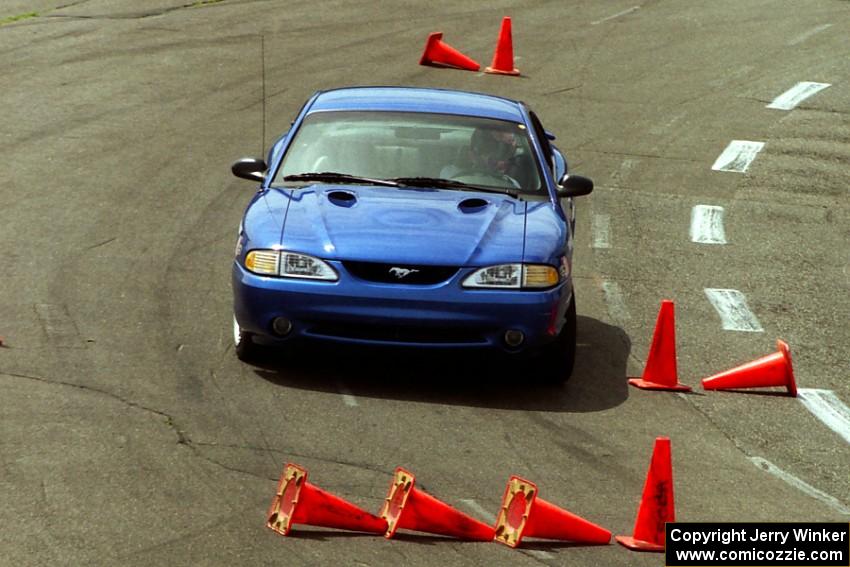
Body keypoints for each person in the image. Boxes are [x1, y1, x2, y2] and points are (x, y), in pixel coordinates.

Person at [442, 127, 522, 188]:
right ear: (472, 155)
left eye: (506, 162)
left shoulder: (511, 185)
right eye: (492, 161)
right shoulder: (450, 172)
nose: (501, 165)